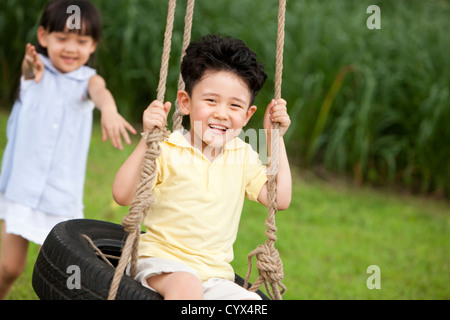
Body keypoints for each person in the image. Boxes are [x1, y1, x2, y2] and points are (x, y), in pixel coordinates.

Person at [113, 34, 291, 300]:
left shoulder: (242, 156)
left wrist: (274, 138)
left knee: (252, 302)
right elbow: (123, 194)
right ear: (186, 102)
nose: (222, 113)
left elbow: (280, 199)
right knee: (186, 288)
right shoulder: (167, 148)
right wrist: (146, 140)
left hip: (215, 275)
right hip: (161, 262)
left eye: (234, 105)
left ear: (247, 115)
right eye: (211, 101)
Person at [0, 0, 136, 299]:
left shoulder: (88, 79)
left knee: (67, 274)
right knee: (8, 267)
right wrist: (31, 64)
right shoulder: (34, 71)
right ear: (43, 36)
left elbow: (100, 92)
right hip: (20, 188)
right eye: (62, 38)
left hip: (60, 194)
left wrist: (110, 111)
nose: (70, 48)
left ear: (93, 46)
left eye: (81, 41)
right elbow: (27, 70)